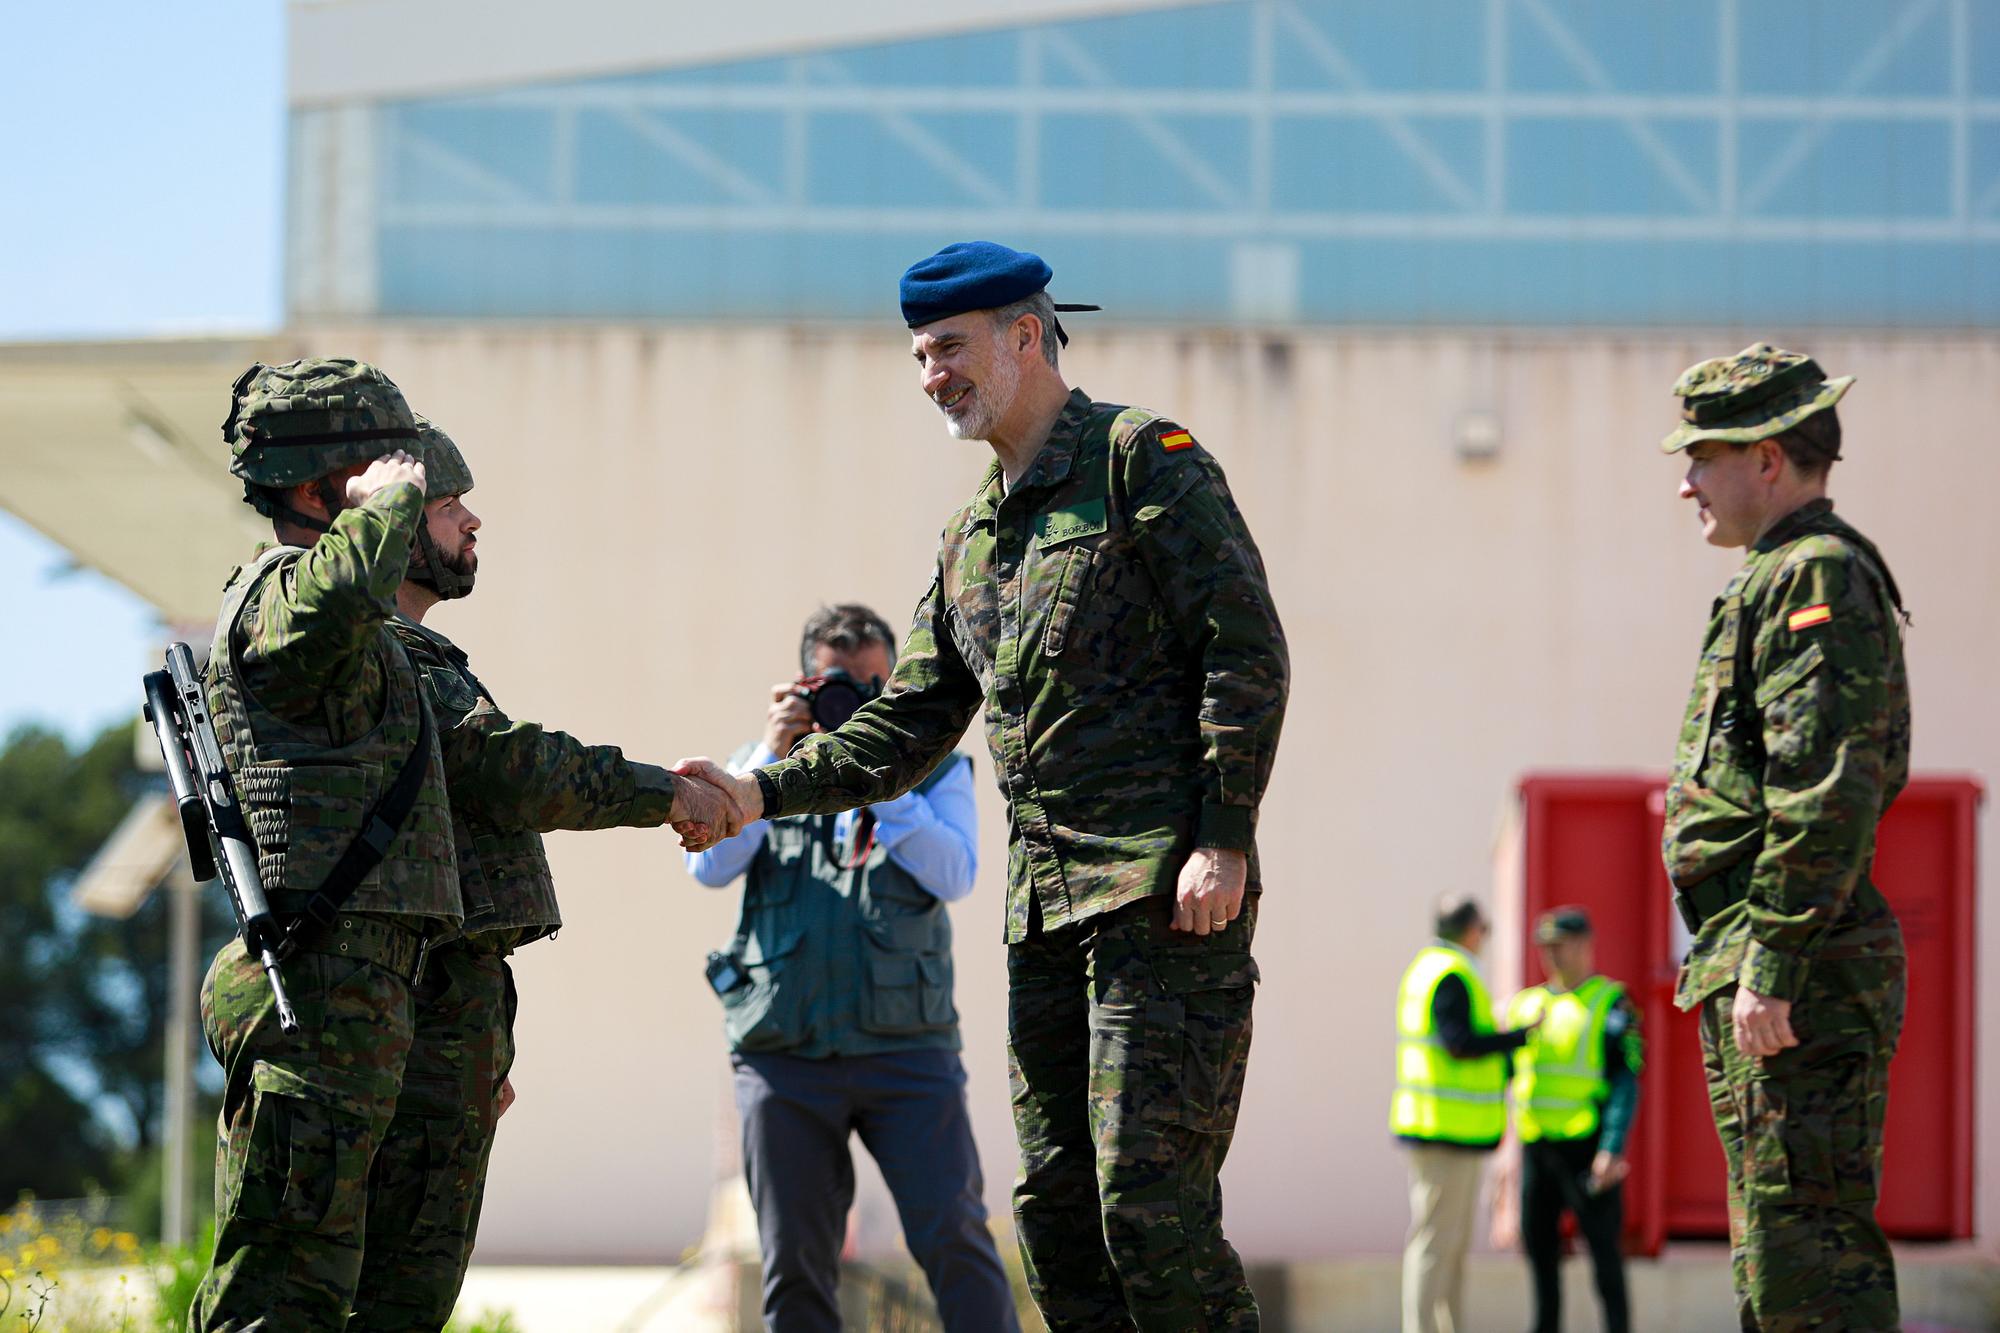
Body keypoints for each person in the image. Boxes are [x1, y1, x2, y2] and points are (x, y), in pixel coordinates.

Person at [680, 241, 1289, 1330]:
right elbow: (906, 722)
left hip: (1161, 898)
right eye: (918, 356)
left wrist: (1224, 834)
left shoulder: (1141, 459)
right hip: (1043, 918)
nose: (931, 377)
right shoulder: (970, 536)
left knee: (1150, 1210)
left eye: (949, 348)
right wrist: (756, 794)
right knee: (1056, 1217)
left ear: (1024, 335)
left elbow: (1242, 650)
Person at [351, 417, 738, 1329]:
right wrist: (668, 793)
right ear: (399, 528)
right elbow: (514, 768)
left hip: (441, 1016)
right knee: (394, 1295)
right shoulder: (388, 651)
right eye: (449, 508)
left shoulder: (409, 653)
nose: (472, 522)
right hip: (415, 1015)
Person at [1660, 344, 1909, 1332]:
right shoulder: (1777, 573)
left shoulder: (1813, 576)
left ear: (1766, 458)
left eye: (1701, 455)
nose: (1683, 482)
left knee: (1806, 1254)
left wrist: (1772, 953)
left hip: (1793, 964)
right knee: (1778, 1247)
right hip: (1767, 955)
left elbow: (1824, 785)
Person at [683, 603, 1019, 1333]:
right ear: (806, 683)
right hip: (784, 1057)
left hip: (909, 1052)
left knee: (956, 1241)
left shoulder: (936, 772)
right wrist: (771, 761)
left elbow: (955, 872)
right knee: (795, 1267)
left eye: (874, 686)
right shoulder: (759, 770)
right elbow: (708, 863)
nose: (856, 702)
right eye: (840, 684)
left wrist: (881, 778)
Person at [1389, 894, 1538, 1333]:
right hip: (1444, 1130)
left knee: (1447, 1245)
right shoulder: (1451, 974)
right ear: (1471, 930)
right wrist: (1515, 1038)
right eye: (1484, 929)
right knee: (1435, 1243)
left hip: (1441, 1127)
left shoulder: (1429, 969)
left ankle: (1445, 1326)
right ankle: (1421, 1328)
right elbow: (1459, 1042)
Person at [1503, 907, 1641, 1333]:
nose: (1551, 957)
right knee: (1540, 1255)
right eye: (1546, 949)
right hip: (1537, 1147)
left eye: (1559, 947)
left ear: (1585, 946)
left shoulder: (1609, 1001)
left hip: (1588, 1146)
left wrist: (1612, 1148)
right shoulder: (1527, 1005)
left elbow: (1625, 1080)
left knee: (1604, 1257)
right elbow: (1509, 1076)